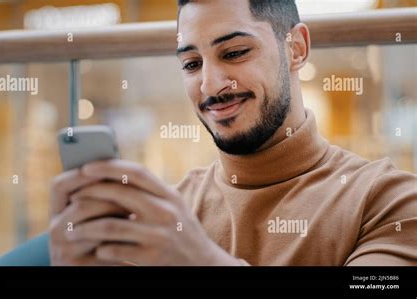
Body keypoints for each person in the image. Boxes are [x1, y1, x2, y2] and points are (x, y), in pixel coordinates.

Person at [49, 0, 417, 266]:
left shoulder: (389, 204)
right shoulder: (168, 213)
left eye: (236, 52)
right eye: (191, 64)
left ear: (297, 48)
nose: (210, 86)